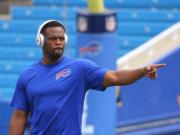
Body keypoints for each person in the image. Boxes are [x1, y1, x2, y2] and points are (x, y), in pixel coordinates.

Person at [8, 20, 166, 135]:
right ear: (40, 41)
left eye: (61, 39)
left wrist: (142, 71)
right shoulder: (27, 75)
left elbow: (116, 77)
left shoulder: (79, 68)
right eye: (53, 39)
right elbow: (19, 116)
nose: (58, 42)